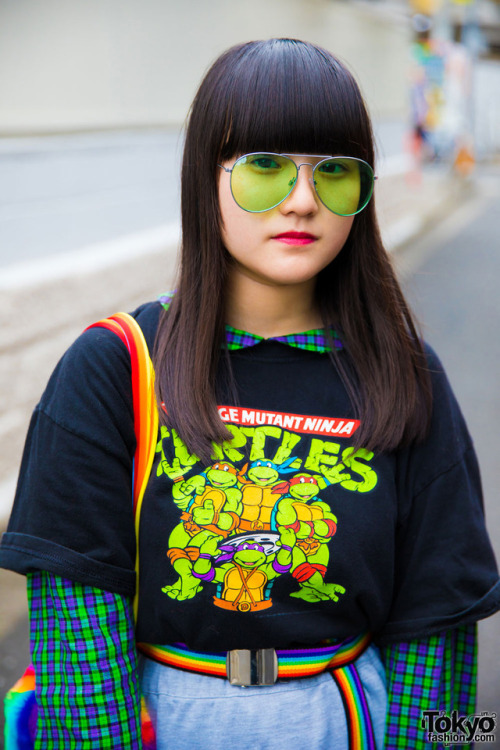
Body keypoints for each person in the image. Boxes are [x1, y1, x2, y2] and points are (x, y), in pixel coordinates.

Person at [1, 38, 499, 750]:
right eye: (265, 168)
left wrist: (447, 740)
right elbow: (76, 641)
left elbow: (438, 625)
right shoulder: (115, 366)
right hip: (165, 718)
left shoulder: (405, 374)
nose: (303, 200)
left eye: (335, 173)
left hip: (352, 720)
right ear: (203, 178)